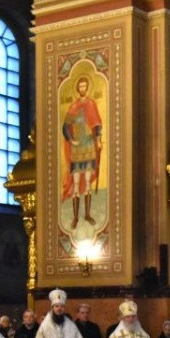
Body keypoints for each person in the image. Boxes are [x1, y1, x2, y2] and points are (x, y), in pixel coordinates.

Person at [61, 76, 103, 229]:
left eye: (85, 86)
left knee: (87, 183)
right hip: (77, 148)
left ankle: (87, 214)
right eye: (81, 86)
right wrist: (71, 140)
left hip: (89, 145)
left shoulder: (91, 104)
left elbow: (97, 123)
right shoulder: (74, 107)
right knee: (77, 183)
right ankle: (75, 218)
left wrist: (98, 140)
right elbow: (65, 127)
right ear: (78, 88)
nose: (83, 89)